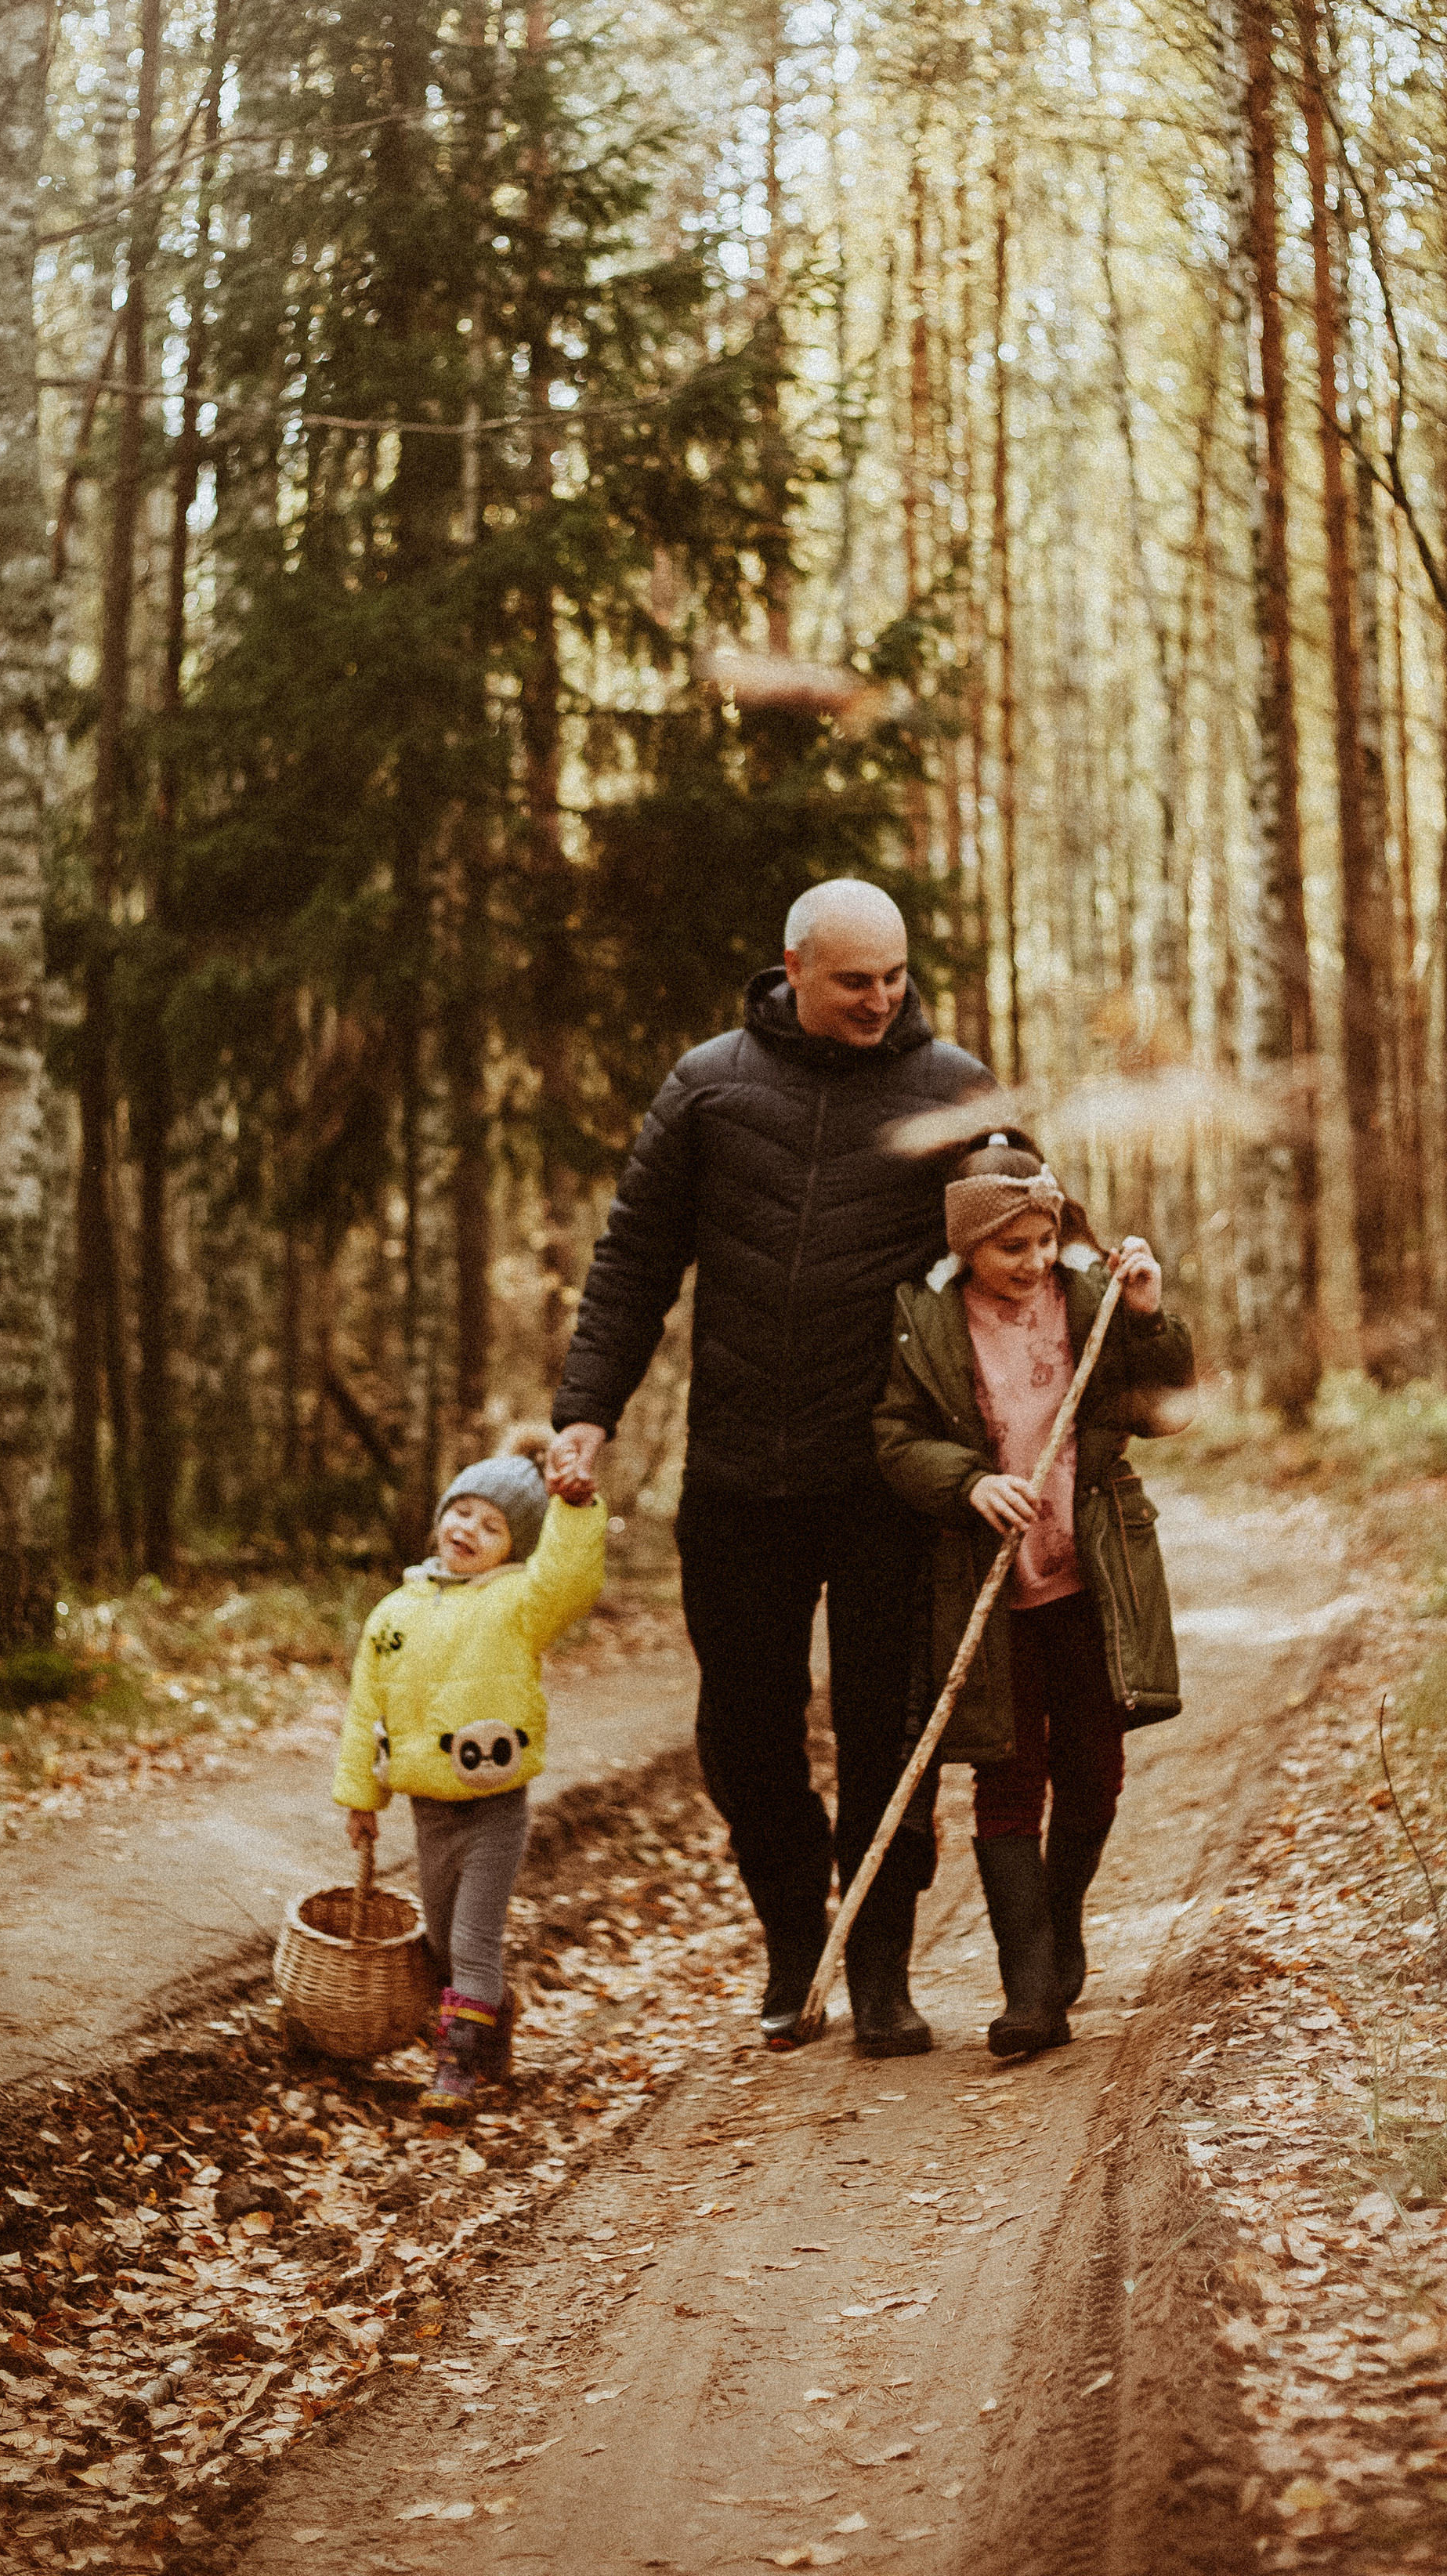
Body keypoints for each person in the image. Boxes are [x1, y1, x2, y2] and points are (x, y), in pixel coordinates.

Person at [546, 878, 995, 2056]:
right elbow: (634, 1258)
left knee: (888, 1730)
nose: (880, 1001)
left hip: (887, 1474)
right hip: (740, 1473)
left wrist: (1111, 1297)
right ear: (792, 969)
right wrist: (587, 1412)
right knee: (745, 1736)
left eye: (895, 979)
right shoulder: (708, 1086)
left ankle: (882, 1969)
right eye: (855, 982)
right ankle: (798, 1938)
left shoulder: (951, 1087)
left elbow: (1019, 1253)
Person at [873, 1138, 1194, 2059]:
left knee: (1092, 1769)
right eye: (1010, 1247)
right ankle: (1029, 1992)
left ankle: (1057, 1923)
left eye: (1043, 1240)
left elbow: (1161, 1407)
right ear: (967, 1246)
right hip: (989, 1584)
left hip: (1089, 1573)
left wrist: (1146, 1314)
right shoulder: (926, 1320)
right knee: (1007, 1773)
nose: (1033, 1261)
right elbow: (895, 1436)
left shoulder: (1089, 1300)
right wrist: (968, 1482)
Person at [333, 1438, 605, 2113]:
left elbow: (568, 1579)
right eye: (463, 1512)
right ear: (441, 1516)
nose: (469, 1531)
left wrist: (574, 1510)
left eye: (492, 1527)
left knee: (472, 1940)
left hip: (494, 1807)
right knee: (441, 1945)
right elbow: (366, 1710)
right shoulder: (394, 1613)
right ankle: (494, 2017)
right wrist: (362, 1798)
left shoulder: (519, 1602)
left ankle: (455, 2066)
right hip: (429, 1807)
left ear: (513, 1550)